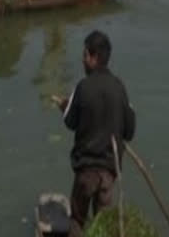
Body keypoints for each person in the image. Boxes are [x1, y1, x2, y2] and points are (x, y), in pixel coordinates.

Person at [58, 30, 136, 237]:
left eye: (84, 55)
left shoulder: (83, 87)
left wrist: (65, 107)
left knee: (77, 220)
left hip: (86, 170)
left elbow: (71, 121)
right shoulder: (120, 88)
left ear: (93, 58)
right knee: (103, 224)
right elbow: (130, 131)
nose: (82, 61)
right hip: (109, 172)